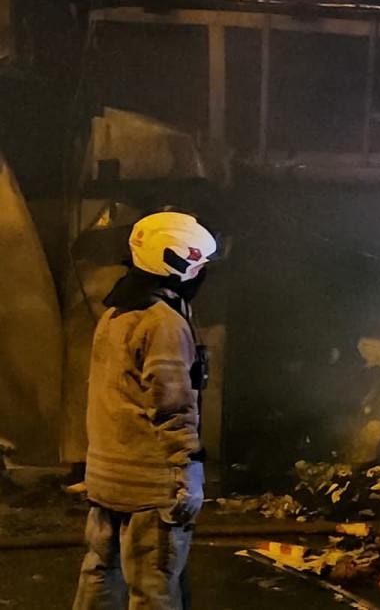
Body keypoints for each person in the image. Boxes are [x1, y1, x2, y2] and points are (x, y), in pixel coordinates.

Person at [73, 211, 217, 610]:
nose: (201, 273)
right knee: (152, 585)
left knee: (100, 574)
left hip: (107, 475)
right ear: (175, 263)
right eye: (198, 264)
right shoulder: (163, 323)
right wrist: (187, 468)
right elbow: (171, 404)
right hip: (149, 484)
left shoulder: (115, 313)